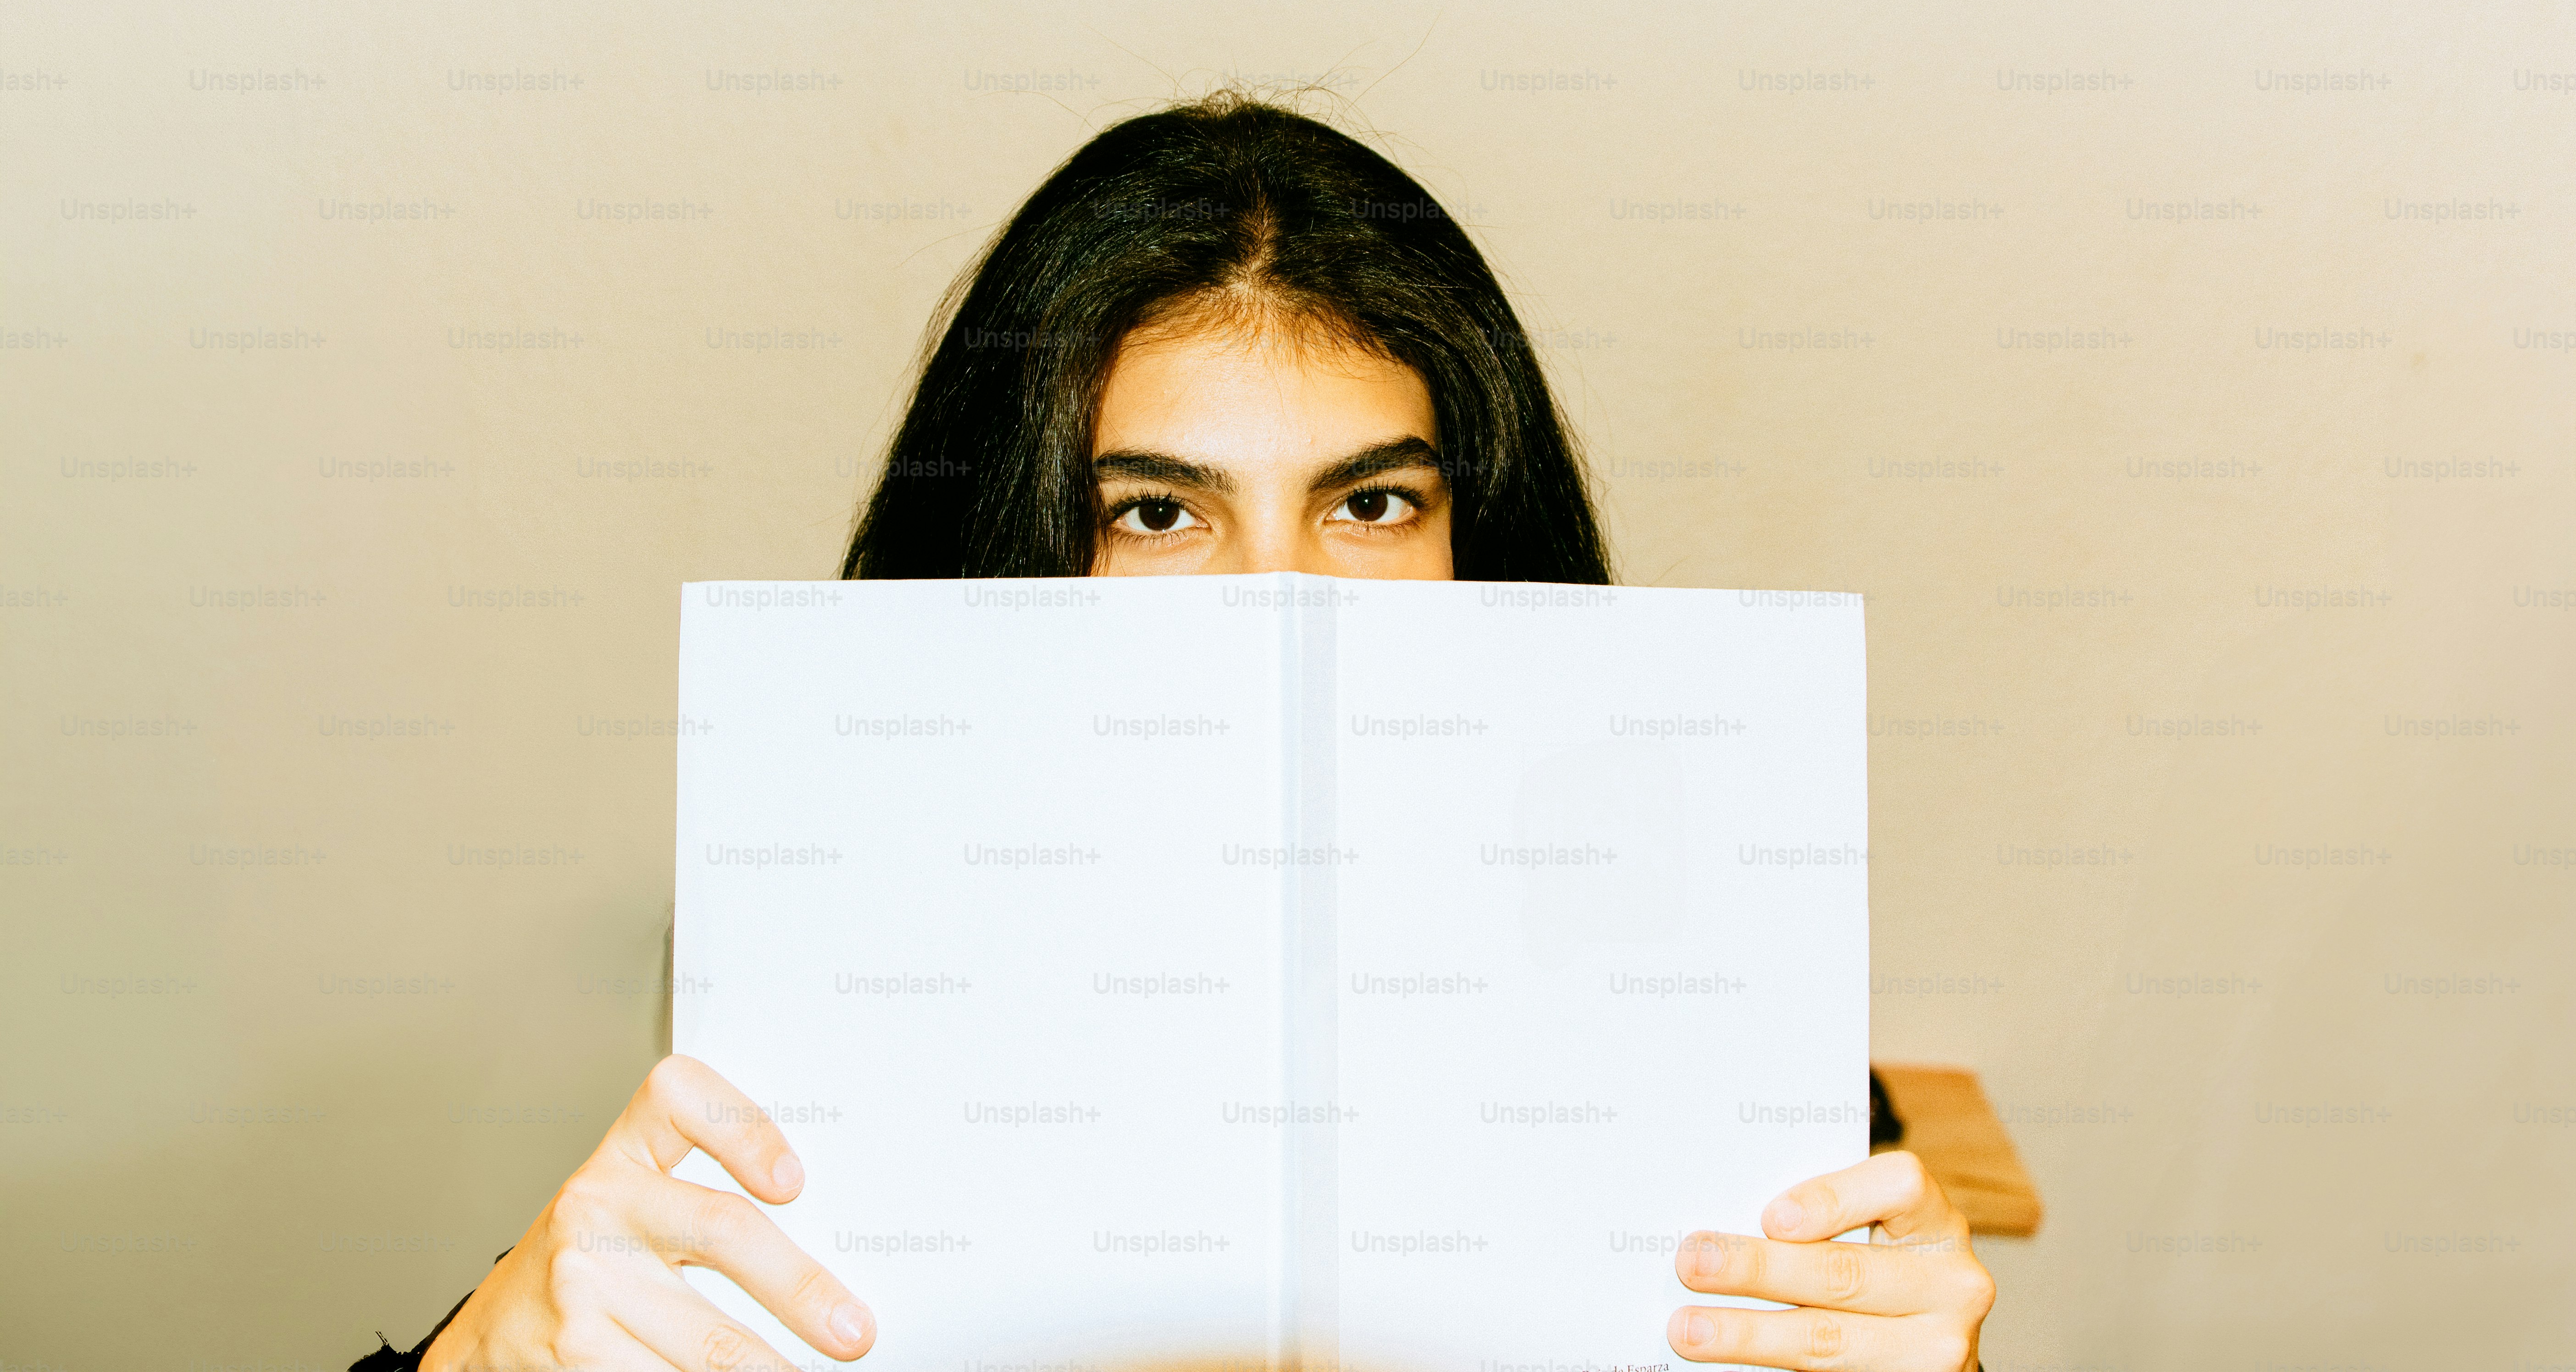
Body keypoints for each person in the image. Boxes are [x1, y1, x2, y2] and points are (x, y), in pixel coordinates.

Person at [369, 94, 1996, 1372]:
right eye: (1156, 511)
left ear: (1474, 537)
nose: (1275, 607)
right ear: (1015, 544)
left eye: (1368, 502)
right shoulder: (830, 1014)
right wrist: (478, 1361)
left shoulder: (1688, 1037)